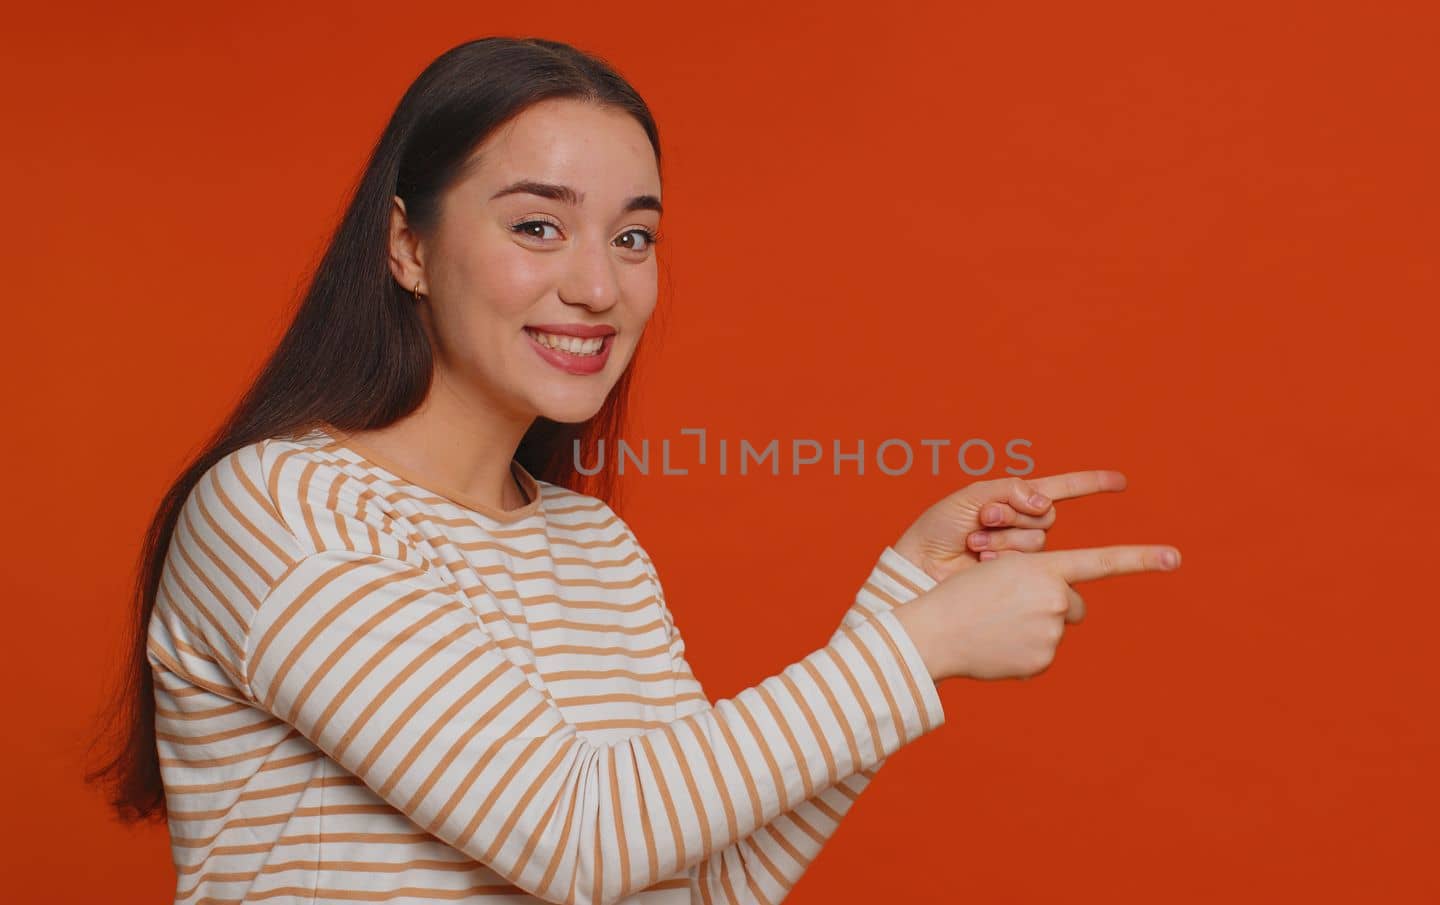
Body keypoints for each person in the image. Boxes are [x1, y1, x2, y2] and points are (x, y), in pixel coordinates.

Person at [84, 36, 1182, 905]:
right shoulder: (281, 508)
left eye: (633, 238)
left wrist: (907, 594)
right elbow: (573, 834)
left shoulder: (589, 541)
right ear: (406, 245)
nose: (598, 288)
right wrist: (917, 644)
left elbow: (703, 879)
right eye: (536, 225)